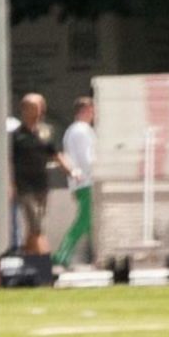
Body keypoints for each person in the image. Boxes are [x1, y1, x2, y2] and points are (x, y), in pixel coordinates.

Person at [10, 93, 77, 257]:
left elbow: (55, 154)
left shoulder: (45, 133)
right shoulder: (16, 136)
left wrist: (70, 170)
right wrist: (10, 184)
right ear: (24, 110)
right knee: (36, 224)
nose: (39, 112)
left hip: (42, 185)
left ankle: (29, 258)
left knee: (37, 225)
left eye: (40, 107)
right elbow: (9, 160)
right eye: (34, 108)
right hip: (24, 186)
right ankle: (44, 258)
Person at [54, 96, 96, 268]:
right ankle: (62, 254)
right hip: (86, 181)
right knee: (84, 220)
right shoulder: (82, 130)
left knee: (89, 222)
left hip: (79, 182)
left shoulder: (72, 130)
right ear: (86, 110)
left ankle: (95, 254)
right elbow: (87, 158)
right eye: (93, 110)